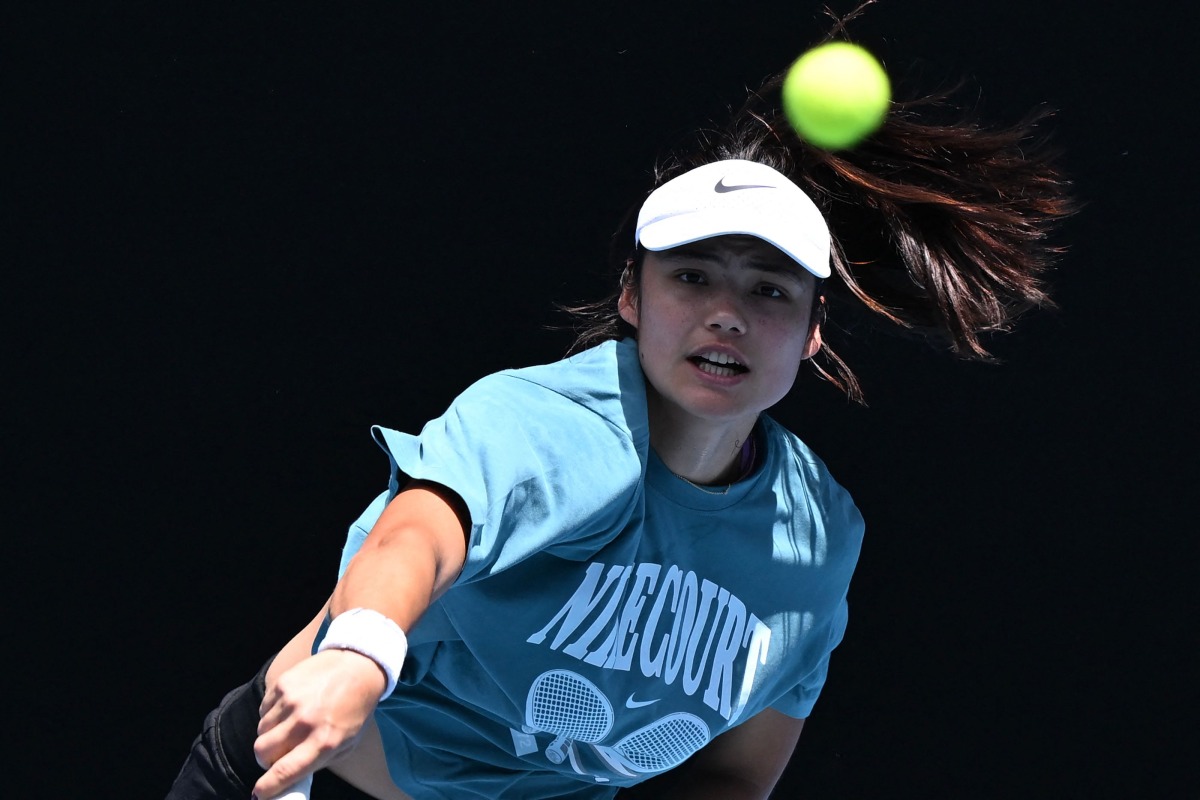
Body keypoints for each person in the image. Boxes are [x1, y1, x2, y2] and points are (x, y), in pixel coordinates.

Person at [167, 26, 1074, 800]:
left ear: (809, 334)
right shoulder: (556, 426)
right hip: (302, 777)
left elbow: (732, 777)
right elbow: (418, 534)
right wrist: (359, 657)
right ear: (633, 297)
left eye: (768, 290)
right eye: (691, 277)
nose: (727, 312)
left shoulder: (814, 535)